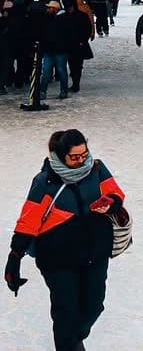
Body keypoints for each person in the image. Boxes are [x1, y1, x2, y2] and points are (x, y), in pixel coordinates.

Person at [5, 128, 127, 351]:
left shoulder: (97, 169)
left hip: (94, 253)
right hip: (57, 259)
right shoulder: (45, 182)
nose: (82, 161)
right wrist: (15, 257)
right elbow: (28, 221)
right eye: (74, 157)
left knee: (94, 306)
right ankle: (69, 344)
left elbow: (116, 193)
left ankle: (71, 339)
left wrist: (110, 201)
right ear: (61, 156)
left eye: (84, 154)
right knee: (65, 312)